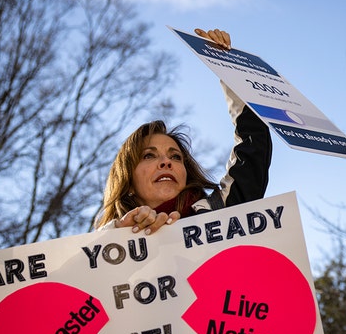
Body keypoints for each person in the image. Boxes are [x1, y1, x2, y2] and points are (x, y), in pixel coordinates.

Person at [95, 29, 272, 233]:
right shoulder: (109, 238)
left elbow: (253, 144)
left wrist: (227, 65)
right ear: (128, 184)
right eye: (148, 155)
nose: (166, 162)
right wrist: (115, 234)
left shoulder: (220, 211)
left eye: (176, 157)